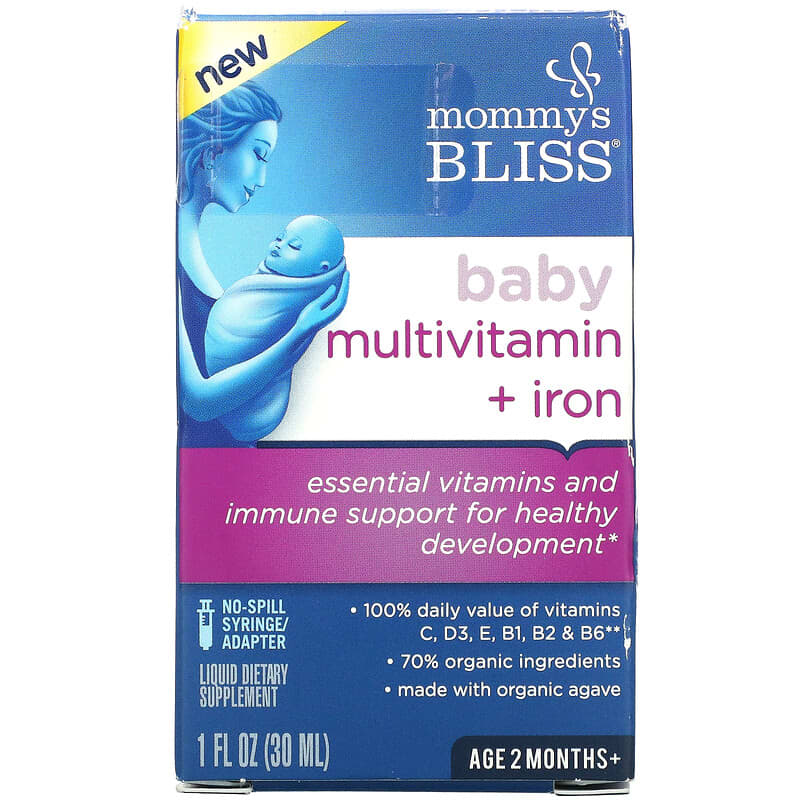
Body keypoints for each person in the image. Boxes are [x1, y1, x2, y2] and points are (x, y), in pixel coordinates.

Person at [177, 82, 349, 445]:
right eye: (259, 154)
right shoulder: (169, 270)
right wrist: (299, 335)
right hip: (205, 465)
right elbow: (197, 402)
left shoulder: (207, 270)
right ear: (213, 151)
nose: (262, 179)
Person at [204, 216, 347, 441]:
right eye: (280, 238)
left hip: (254, 413)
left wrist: (300, 331)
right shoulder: (263, 282)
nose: (278, 245)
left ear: (320, 269)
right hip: (218, 396)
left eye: (294, 246)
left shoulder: (299, 304)